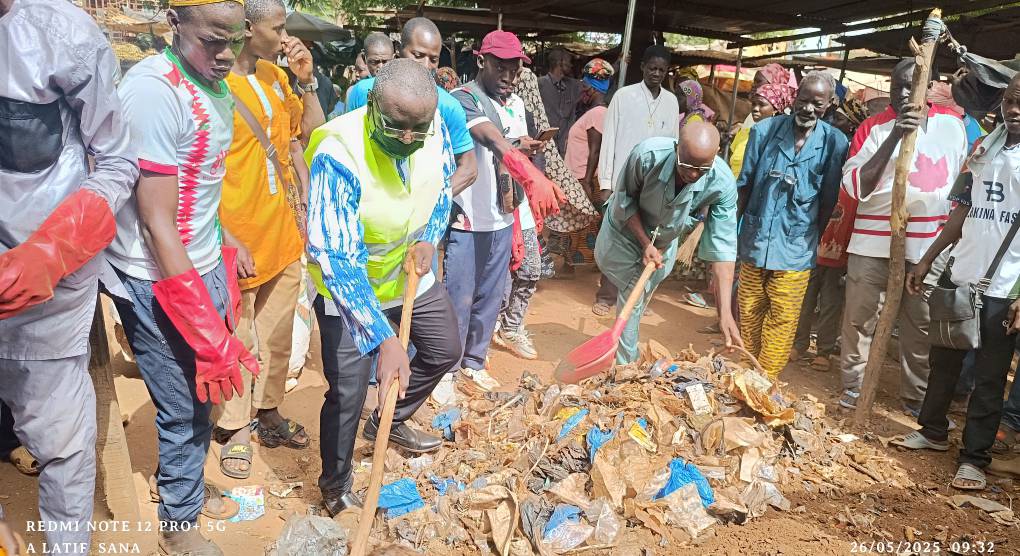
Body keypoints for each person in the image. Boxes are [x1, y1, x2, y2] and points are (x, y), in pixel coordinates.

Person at [109, 0, 260, 552]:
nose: (224, 55)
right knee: (182, 403)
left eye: (234, 40)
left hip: (199, 258)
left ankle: (187, 490)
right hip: (158, 276)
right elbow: (154, 223)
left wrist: (223, 238)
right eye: (211, 40)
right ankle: (179, 525)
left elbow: (198, 182)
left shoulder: (209, 83)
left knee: (209, 394)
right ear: (174, 24)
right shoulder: (154, 92)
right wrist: (200, 322)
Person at [0, 0, 137, 551]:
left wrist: (52, 252)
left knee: (59, 443)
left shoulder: (62, 36)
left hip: (44, 296)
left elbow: (117, 162)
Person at [305, 59, 462, 515]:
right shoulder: (339, 151)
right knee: (347, 394)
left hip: (409, 276)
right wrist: (383, 338)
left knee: (444, 349)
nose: (409, 139)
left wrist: (431, 236)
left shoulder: (432, 131)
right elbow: (336, 258)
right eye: (396, 126)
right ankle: (335, 487)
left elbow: (441, 187)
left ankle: (389, 419)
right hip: (350, 292)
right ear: (371, 104)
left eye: (419, 128)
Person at [211, 0, 325, 480]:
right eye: (277, 29)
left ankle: (268, 410)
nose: (285, 38)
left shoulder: (277, 79)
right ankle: (235, 427)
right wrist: (226, 235)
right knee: (240, 336)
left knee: (277, 337)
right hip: (237, 239)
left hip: (282, 234)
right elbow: (199, 174)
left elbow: (312, 131)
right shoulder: (215, 87)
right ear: (248, 28)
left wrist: (307, 79)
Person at [893, 73, 1020, 491]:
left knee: (988, 377)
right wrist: (929, 261)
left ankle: (973, 459)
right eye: (1010, 102)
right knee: (943, 361)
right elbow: (961, 211)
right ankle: (931, 431)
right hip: (960, 272)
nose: (1014, 110)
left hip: (1003, 287)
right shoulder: (985, 146)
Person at [836, 58, 968, 415]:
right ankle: (855, 386)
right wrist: (895, 133)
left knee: (920, 325)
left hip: (928, 246)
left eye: (912, 85)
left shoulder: (953, 127)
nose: (903, 92)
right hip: (872, 239)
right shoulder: (872, 127)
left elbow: (961, 184)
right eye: (897, 85)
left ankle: (915, 399)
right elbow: (854, 185)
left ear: (929, 87)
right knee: (860, 318)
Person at [446, 30, 564, 396]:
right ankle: (446, 370)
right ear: (481, 61)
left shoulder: (513, 105)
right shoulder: (462, 99)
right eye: (500, 67)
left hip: (501, 216)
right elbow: (488, 139)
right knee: (458, 298)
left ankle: (474, 363)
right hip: (467, 218)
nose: (508, 77)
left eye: (515, 70)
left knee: (490, 297)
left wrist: (524, 147)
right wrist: (531, 173)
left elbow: (507, 143)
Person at [595, 122, 742, 364]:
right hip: (625, 231)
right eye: (687, 166)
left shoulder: (722, 183)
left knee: (638, 297)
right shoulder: (647, 156)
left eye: (701, 169)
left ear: (715, 157)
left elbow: (723, 248)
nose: (693, 174)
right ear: (676, 149)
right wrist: (645, 243)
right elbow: (624, 201)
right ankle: (625, 366)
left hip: (664, 241)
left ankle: (624, 354)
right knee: (633, 292)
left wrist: (724, 312)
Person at [735, 72, 849, 379]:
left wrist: (809, 236)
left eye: (817, 103)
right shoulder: (764, 132)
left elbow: (827, 201)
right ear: (793, 99)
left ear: (830, 105)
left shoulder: (835, 142)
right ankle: (746, 373)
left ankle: (764, 381)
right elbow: (743, 186)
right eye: (803, 100)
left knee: (783, 318)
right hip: (754, 240)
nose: (808, 109)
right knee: (749, 311)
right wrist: (732, 235)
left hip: (797, 247)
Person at [344, 17, 477, 200]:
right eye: (418, 55)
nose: (425, 65)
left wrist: (431, 204)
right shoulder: (364, 91)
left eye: (433, 59)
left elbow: (469, 168)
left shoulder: (448, 106)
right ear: (398, 51)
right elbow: (348, 146)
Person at [594, 45, 678, 316]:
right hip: (623, 178)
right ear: (642, 67)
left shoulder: (671, 101)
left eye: (661, 70)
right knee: (617, 236)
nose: (656, 73)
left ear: (666, 72)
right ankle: (606, 296)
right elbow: (609, 140)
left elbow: (674, 145)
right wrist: (605, 182)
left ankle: (636, 299)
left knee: (648, 239)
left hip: (655, 185)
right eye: (651, 68)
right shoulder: (623, 96)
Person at [792, 94, 865, 371]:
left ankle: (823, 350)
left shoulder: (856, 168)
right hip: (814, 240)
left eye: (842, 119)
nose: (836, 122)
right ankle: (798, 344)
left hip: (839, 246)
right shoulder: (825, 154)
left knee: (831, 301)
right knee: (806, 294)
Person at [550, 58, 614, 269]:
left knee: (580, 225)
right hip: (577, 177)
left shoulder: (598, 113)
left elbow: (595, 150)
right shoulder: (594, 112)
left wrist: (586, 181)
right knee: (576, 224)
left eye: (585, 85)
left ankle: (582, 265)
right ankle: (573, 264)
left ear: (594, 88)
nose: (582, 89)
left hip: (582, 179)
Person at [729, 82, 794, 182]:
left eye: (761, 104)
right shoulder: (745, 132)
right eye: (754, 104)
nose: (755, 109)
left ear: (775, 110)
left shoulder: (778, 140)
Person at [538, 47, 581, 155]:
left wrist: (618, 64)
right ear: (560, 63)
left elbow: (596, 81)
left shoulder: (572, 86)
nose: (571, 65)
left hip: (563, 149)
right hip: (544, 147)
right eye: (569, 62)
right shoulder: (540, 84)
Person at [343, 31, 395, 112]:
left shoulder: (358, 89)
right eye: (374, 62)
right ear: (364, 58)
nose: (380, 67)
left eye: (385, 62)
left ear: (393, 58)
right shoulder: (358, 90)